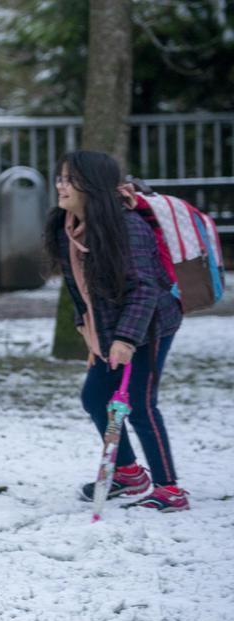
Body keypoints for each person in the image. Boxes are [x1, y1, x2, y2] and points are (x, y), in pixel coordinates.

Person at [45, 150, 187, 512]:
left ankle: (169, 490)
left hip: (151, 325)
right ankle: (127, 473)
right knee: (95, 398)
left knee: (139, 404)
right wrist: (90, 334)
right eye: (60, 178)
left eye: (70, 180)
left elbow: (145, 289)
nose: (61, 186)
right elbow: (79, 289)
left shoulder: (128, 227)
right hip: (109, 328)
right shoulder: (67, 228)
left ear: (92, 186)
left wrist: (126, 340)